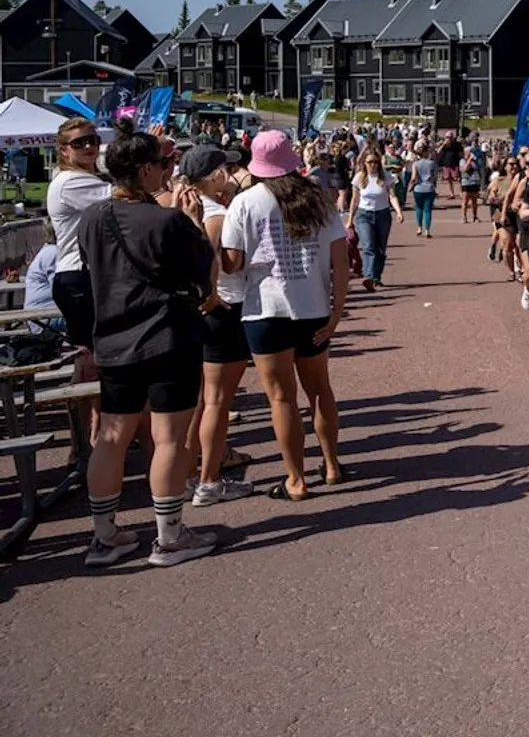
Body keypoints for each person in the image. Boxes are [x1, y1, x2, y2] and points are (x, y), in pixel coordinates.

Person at [74, 126, 219, 568]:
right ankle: (169, 536)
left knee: (112, 436)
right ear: (144, 169)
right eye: (162, 163)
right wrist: (193, 222)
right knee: (169, 437)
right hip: (166, 337)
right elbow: (202, 274)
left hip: (114, 339)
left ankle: (104, 535)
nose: (167, 171)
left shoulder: (92, 218)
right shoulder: (167, 220)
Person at [221, 130, 349, 502]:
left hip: (266, 309)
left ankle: (296, 478)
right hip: (313, 308)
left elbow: (232, 264)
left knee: (281, 398)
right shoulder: (321, 201)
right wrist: (337, 310)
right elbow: (340, 262)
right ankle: (331, 464)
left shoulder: (245, 203)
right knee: (320, 389)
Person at [181, 144, 255, 505]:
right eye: (224, 169)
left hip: (201, 313)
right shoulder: (216, 216)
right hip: (223, 308)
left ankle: (190, 473)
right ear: (214, 175)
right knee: (217, 402)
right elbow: (216, 263)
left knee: (202, 400)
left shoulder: (180, 206)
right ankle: (209, 480)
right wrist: (209, 295)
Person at [46, 115, 112, 346]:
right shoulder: (70, 181)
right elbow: (126, 197)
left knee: (92, 355)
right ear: (64, 151)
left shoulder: (87, 178)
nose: (88, 147)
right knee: (96, 353)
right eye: (79, 143)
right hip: (79, 275)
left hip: (85, 274)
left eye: (93, 140)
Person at [350, 148, 395, 293]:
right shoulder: (359, 178)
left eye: (376, 162)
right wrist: (350, 219)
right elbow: (355, 199)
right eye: (370, 162)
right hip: (364, 215)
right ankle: (368, 276)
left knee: (380, 249)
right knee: (368, 245)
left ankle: (376, 276)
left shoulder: (385, 176)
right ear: (364, 163)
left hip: (383, 214)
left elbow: (392, 196)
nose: (373, 165)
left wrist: (399, 211)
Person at [408, 143, 438, 237]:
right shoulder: (432, 163)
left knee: (419, 208)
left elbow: (413, 177)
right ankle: (427, 230)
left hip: (418, 188)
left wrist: (411, 186)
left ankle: (419, 228)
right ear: (425, 153)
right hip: (429, 188)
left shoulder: (415, 164)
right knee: (427, 210)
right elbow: (435, 176)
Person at [459, 144, 484, 224]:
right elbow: (465, 169)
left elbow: (480, 169)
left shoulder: (475, 161)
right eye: (470, 152)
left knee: (474, 201)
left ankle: (475, 217)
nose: (472, 153)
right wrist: (469, 159)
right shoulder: (462, 160)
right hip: (466, 183)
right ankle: (464, 217)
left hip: (475, 182)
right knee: (465, 201)